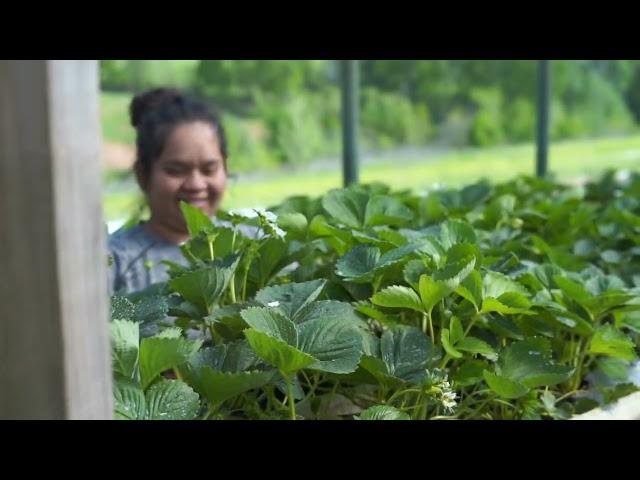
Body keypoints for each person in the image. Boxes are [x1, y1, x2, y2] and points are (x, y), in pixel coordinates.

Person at [108, 88, 230, 295]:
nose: (196, 184)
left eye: (209, 169)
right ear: (143, 175)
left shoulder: (249, 246)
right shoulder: (115, 262)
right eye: (176, 171)